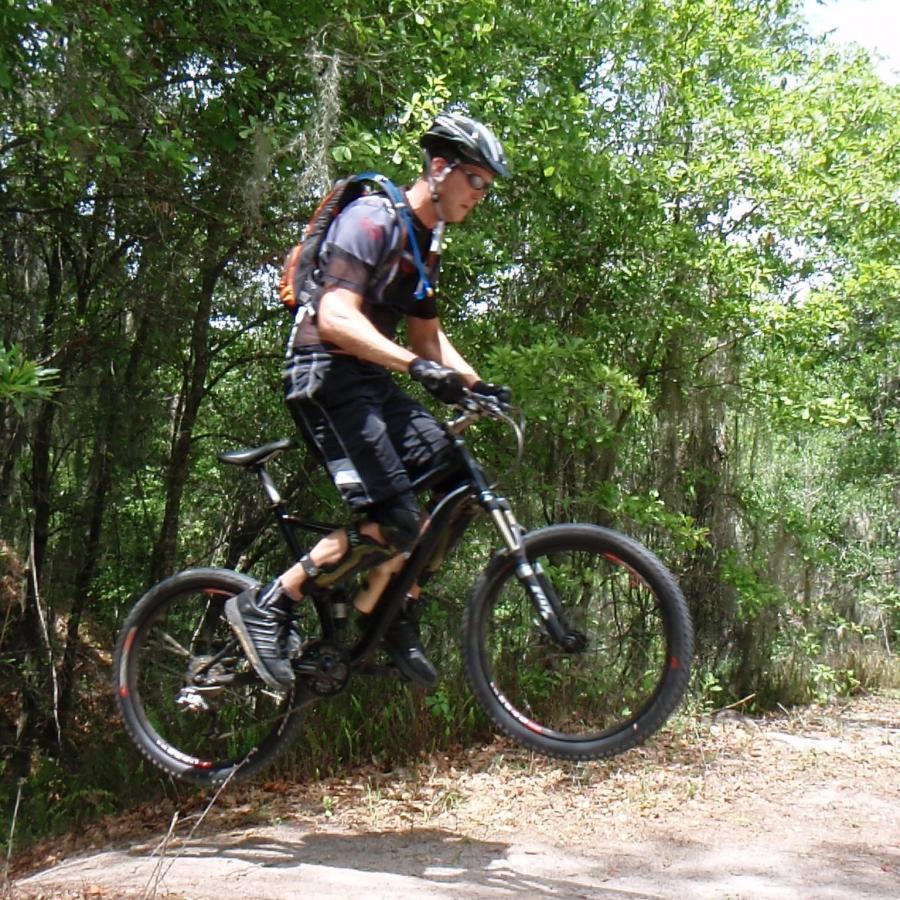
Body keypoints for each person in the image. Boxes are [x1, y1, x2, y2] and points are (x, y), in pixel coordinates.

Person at [226, 112, 510, 692]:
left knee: (458, 482)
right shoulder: (372, 219)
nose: (479, 195)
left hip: (369, 380)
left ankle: (387, 607)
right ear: (439, 167)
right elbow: (334, 318)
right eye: (475, 180)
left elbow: (427, 340)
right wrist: (416, 368)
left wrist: (480, 388)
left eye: (486, 185)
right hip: (324, 374)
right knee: (395, 520)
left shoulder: (422, 242)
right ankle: (271, 602)